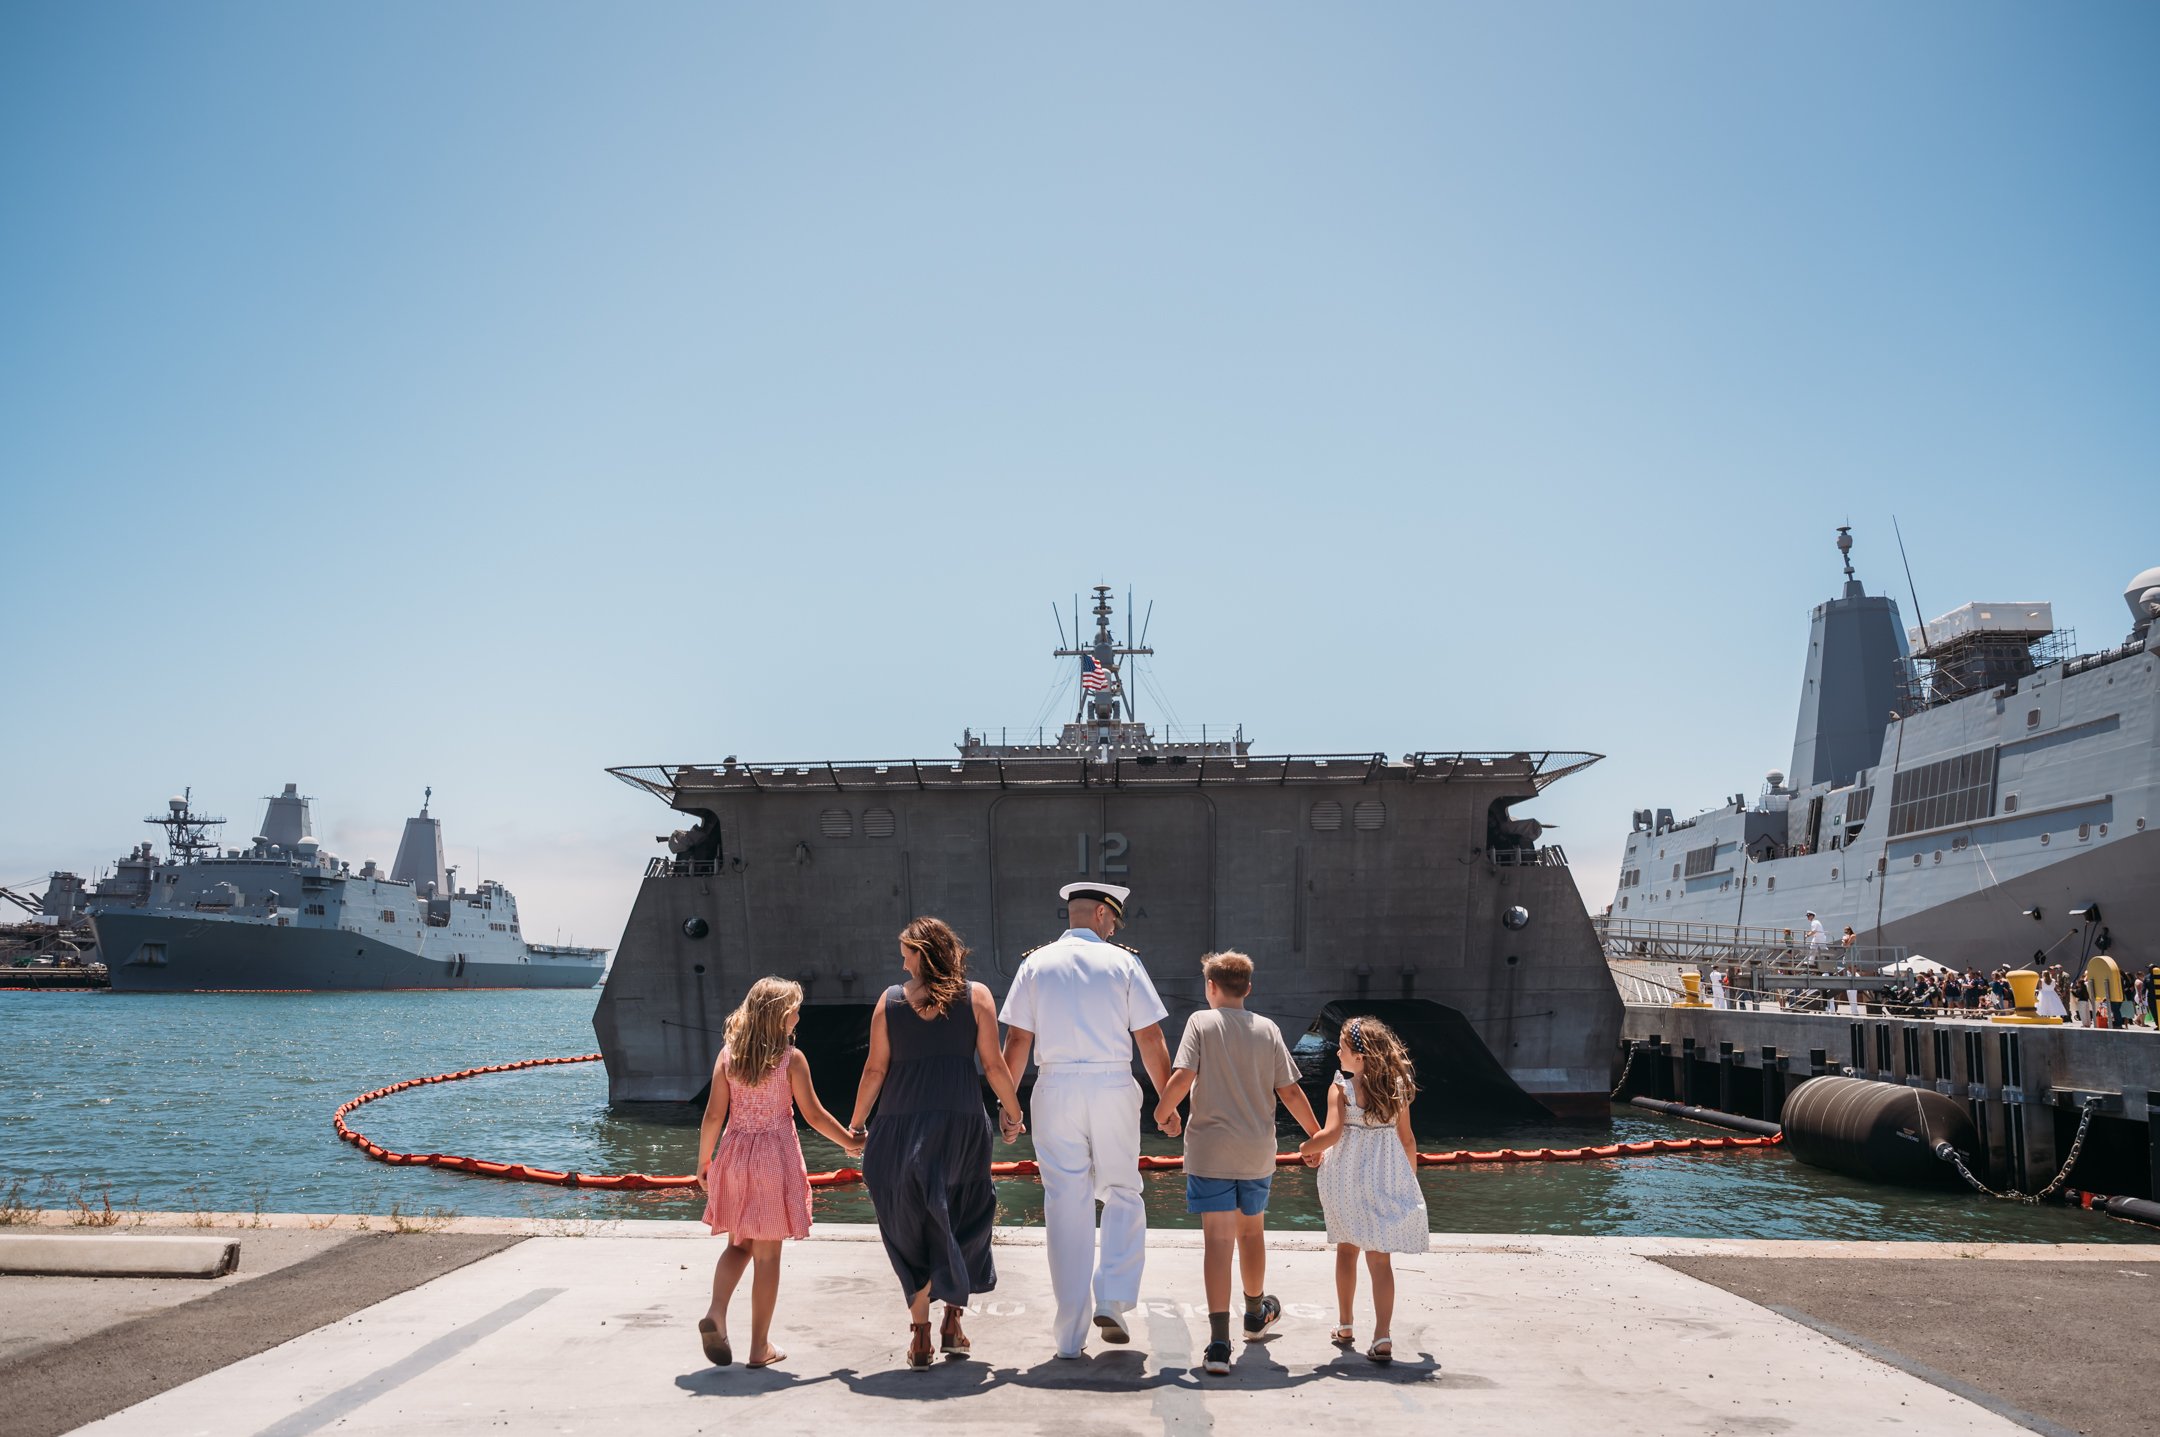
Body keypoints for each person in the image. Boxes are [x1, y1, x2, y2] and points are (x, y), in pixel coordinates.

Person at [999, 881, 1177, 1360]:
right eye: (1114, 919)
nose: (1114, 926)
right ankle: (1114, 1299)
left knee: (1065, 1203)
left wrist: (1008, 1105)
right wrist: (1168, 1102)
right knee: (1122, 1191)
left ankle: (1069, 1338)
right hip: (1111, 1084)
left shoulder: (1034, 964)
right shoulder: (1123, 963)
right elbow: (1150, 1036)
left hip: (1053, 1086)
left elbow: (1017, 1040)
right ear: (1102, 915)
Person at [848, 917, 1029, 1369]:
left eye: (907, 951)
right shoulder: (978, 996)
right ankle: (952, 1320)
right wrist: (1013, 1111)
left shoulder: (889, 1003)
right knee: (964, 1216)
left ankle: (921, 1336)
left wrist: (856, 1124)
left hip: (897, 1129)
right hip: (961, 1128)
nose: (901, 959)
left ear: (924, 954)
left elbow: (875, 1070)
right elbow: (992, 1065)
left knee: (907, 1224)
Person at [1151, 952, 1321, 1377]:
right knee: (1252, 1233)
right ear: (1248, 988)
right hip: (1256, 1151)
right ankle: (1255, 1313)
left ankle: (1218, 1343)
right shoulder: (1268, 1029)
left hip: (1210, 1152)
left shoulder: (1200, 1023)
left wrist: (1162, 1113)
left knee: (1217, 1244)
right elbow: (1291, 1092)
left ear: (1211, 987)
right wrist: (1315, 1138)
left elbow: (1183, 1076)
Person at [695, 976, 862, 1369]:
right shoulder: (791, 1059)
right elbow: (814, 1115)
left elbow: (714, 1114)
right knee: (767, 1258)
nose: (799, 1017)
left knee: (738, 1245)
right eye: (795, 1011)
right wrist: (851, 1143)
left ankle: (716, 1313)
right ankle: (759, 1348)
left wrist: (705, 1162)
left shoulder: (728, 1056)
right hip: (773, 1160)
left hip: (734, 1157)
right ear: (782, 1017)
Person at [1300, 1017, 1428, 1365]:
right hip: (1385, 1178)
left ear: (1358, 1055)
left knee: (1346, 1249)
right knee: (1380, 1258)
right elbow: (1407, 1139)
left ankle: (1345, 1325)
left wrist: (1306, 1147)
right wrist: (1409, 1180)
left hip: (1347, 1179)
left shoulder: (1341, 1087)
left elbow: (1332, 1135)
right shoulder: (1397, 1086)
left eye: (1342, 1046)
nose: (1337, 1051)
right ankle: (1382, 1336)